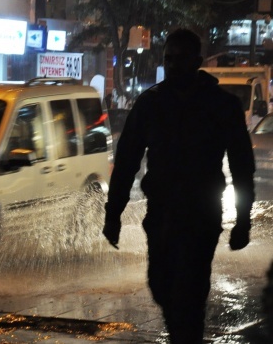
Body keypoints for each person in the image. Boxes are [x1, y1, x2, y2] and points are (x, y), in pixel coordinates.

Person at [102, 28, 255, 343]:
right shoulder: (150, 104)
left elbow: (242, 165)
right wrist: (113, 213)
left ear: (197, 62)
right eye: (168, 59)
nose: (173, 65)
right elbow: (127, 160)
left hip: (202, 216)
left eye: (180, 59)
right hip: (161, 215)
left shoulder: (222, 105)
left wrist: (243, 219)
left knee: (190, 291)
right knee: (160, 284)